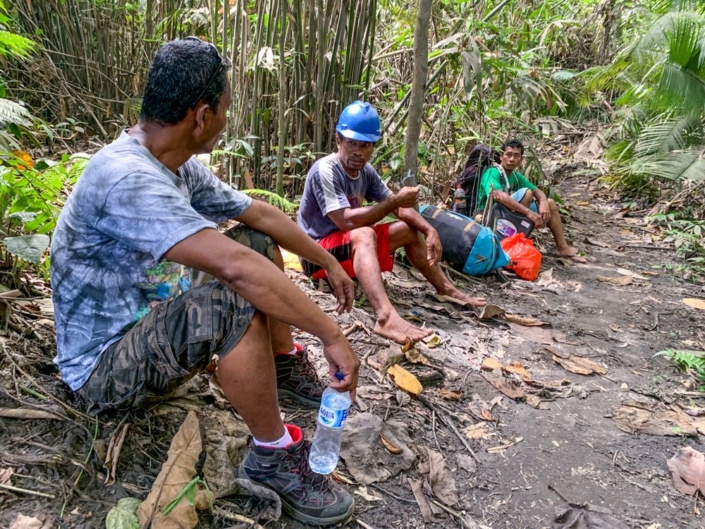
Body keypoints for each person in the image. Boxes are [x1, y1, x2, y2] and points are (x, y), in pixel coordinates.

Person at [50, 38, 359, 526]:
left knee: (254, 241)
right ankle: (271, 455)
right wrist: (332, 334)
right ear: (202, 115)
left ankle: (278, 365)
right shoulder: (126, 177)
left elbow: (256, 212)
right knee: (229, 298)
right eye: (226, 110)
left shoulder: (175, 163)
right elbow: (233, 268)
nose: (226, 120)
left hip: (150, 326)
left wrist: (332, 262)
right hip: (103, 371)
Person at [298, 101, 486, 345]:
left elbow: (399, 208)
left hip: (346, 248)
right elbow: (346, 222)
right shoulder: (326, 170)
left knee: (409, 230)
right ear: (338, 141)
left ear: (372, 148)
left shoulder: (366, 173)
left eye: (365, 145)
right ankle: (385, 317)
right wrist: (395, 201)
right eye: (352, 143)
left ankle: (447, 289)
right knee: (364, 234)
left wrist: (430, 230)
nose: (358, 151)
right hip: (318, 255)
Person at [477, 139, 585, 261]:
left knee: (550, 203)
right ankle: (511, 248)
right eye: (508, 154)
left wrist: (543, 202)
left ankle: (562, 247)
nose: (511, 159)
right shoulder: (492, 172)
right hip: (491, 216)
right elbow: (498, 195)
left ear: (521, 160)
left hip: (508, 216)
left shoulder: (517, 177)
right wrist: (529, 213)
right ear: (501, 156)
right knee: (526, 193)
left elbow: (537, 191)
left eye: (516, 156)